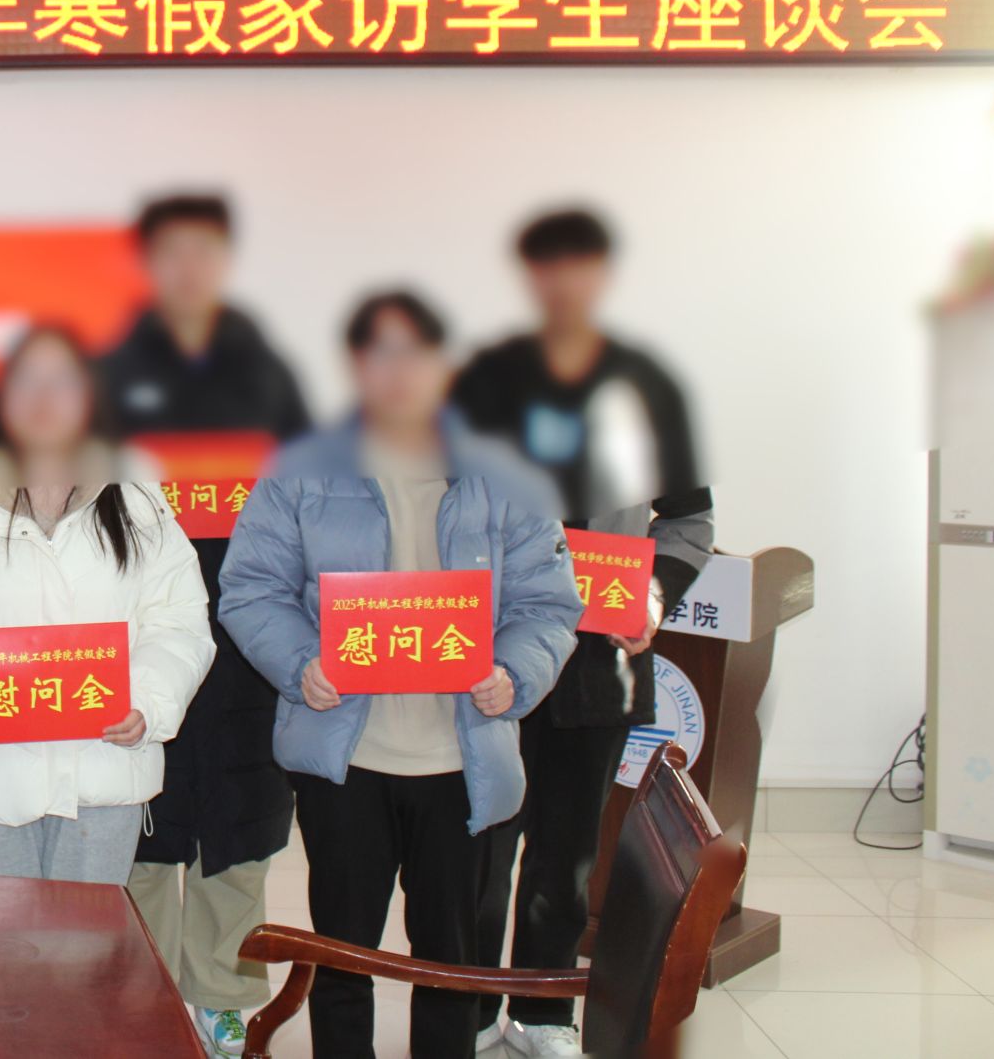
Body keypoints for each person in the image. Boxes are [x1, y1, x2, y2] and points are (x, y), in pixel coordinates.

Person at [219, 292, 581, 1059]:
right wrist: (301, 664)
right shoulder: (303, 472)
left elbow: (548, 604)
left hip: (461, 758)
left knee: (449, 963)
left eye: (417, 351)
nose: (399, 371)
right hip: (346, 757)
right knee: (343, 954)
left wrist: (514, 673)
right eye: (380, 352)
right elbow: (250, 589)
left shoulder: (504, 475)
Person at [451, 209, 714, 1058]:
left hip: (600, 663)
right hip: (493, 657)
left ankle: (541, 1014)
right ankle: (468, 1010)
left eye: (582, 267)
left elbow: (690, 521)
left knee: (566, 853)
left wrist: (654, 597)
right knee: (482, 843)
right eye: (549, 268)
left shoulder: (650, 390)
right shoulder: (485, 384)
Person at [0, 326, 215, 886]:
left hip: (103, 774)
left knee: (87, 941)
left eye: (62, 382)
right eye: (26, 381)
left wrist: (148, 704)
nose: (43, 398)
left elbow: (178, 622)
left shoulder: (138, 505)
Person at [101, 194, 311, 1058]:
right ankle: (142, 992)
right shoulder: (108, 376)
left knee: (240, 826)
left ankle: (224, 995)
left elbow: (311, 502)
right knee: (140, 822)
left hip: (248, 642)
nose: (188, 268)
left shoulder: (270, 378)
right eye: (172, 252)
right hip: (140, 634)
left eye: (204, 251)